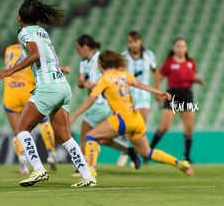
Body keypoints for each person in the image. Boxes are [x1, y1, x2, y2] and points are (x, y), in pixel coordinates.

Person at [0, 0, 96, 188]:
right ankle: (87, 175)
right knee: (64, 135)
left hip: (49, 87)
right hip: (61, 86)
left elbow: (35, 55)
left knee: (21, 129)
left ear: (20, 17)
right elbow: (48, 58)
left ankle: (38, 169)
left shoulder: (25, 32)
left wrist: (11, 70)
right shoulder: (42, 32)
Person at [69, 50, 194, 178]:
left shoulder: (105, 78)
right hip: (136, 118)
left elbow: (91, 99)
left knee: (90, 137)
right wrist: (159, 92)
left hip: (122, 118)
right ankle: (179, 163)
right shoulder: (123, 74)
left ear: (101, 65)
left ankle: (90, 171)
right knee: (146, 152)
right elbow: (139, 84)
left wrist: (74, 115)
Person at [73, 34, 140, 176]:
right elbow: (80, 82)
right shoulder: (83, 62)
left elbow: (113, 75)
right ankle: (128, 150)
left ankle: (86, 166)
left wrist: (97, 85)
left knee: (86, 135)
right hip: (97, 103)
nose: (77, 51)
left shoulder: (100, 59)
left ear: (85, 47)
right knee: (101, 138)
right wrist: (85, 83)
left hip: (101, 103)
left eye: (78, 48)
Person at [3, 40, 70, 174]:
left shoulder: (8, 49)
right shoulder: (31, 51)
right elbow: (41, 65)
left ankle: (22, 160)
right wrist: (61, 68)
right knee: (44, 121)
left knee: (18, 131)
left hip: (10, 93)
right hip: (28, 92)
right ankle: (51, 153)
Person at [150, 37, 204, 163]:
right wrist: (158, 91)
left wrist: (197, 79)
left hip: (186, 95)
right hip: (172, 95)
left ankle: (187, 156)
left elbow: (188, 75)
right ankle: (149, 151)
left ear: (186, 48)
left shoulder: (191, 62)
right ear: (174, 48)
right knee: (164, 127)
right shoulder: (169, 63)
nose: (181, 48)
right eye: (178, 46)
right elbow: (159, 77)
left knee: (189, 128)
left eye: (183, 46)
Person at [117, 31, 159, 166]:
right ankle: (127, 150)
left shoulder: (149, 55)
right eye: (130, 42)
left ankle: (135, 154)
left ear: (140, 41)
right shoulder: (123, 57)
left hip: (144, 95)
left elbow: (155, 72)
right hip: (128, 96)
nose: (133, 44)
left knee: (141, 125)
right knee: (129, 125)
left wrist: (157, 91)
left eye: (135, 41)